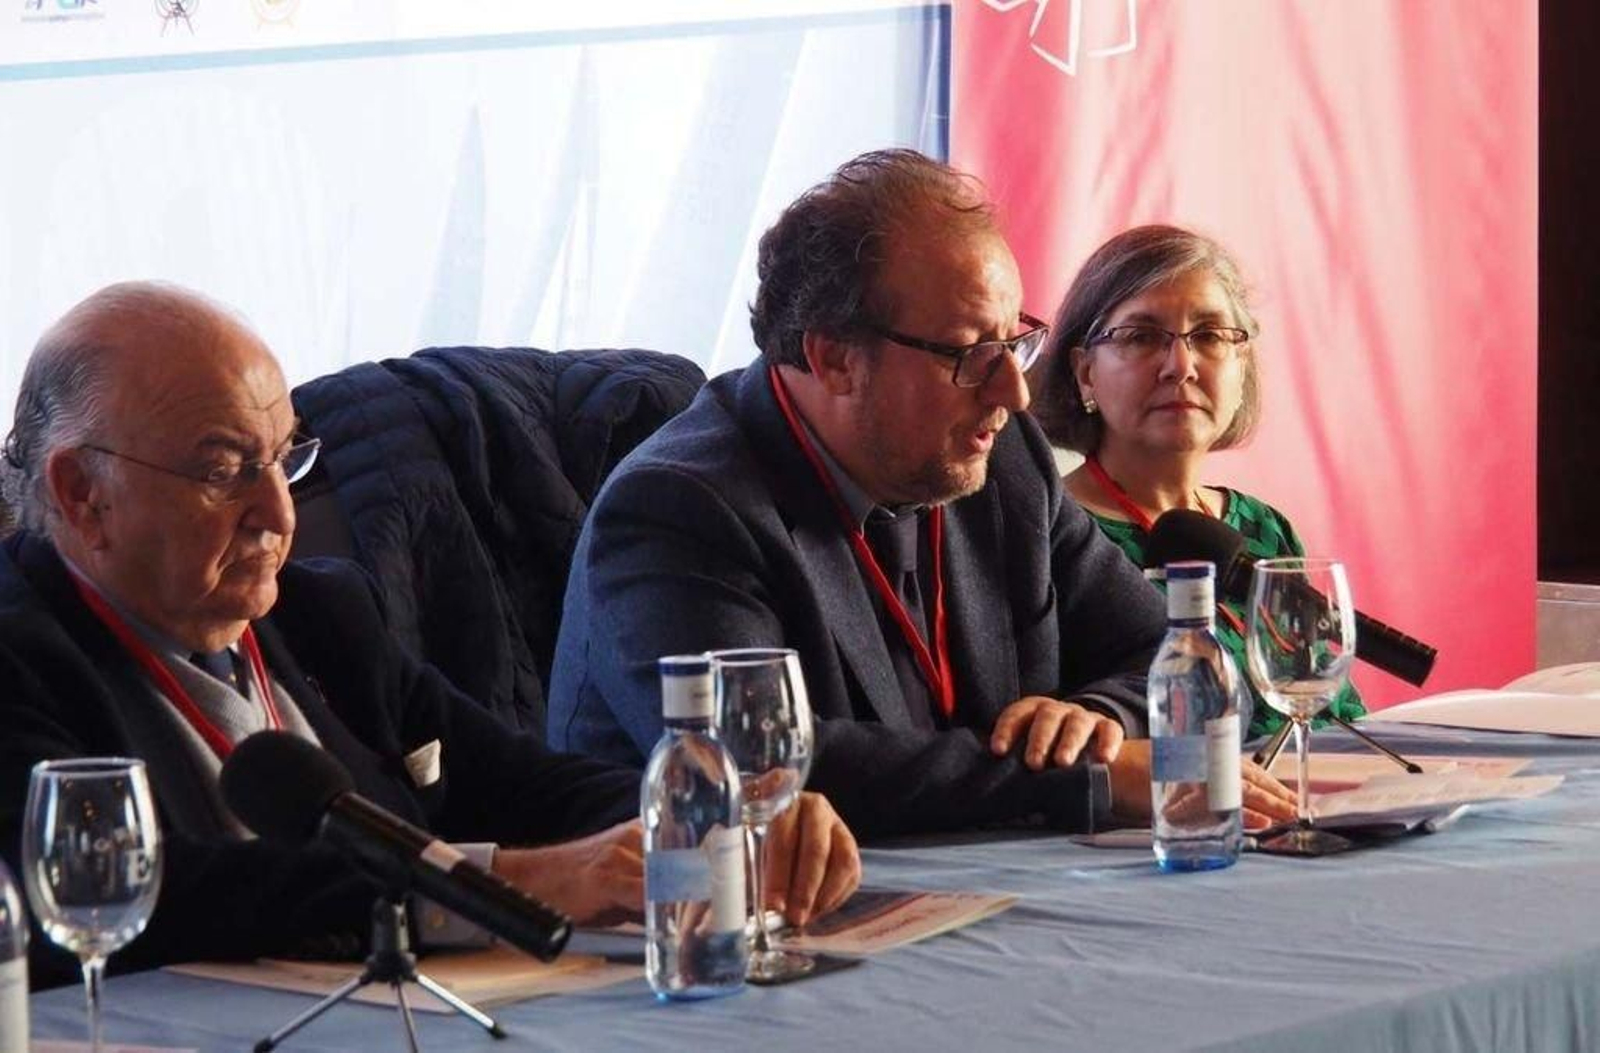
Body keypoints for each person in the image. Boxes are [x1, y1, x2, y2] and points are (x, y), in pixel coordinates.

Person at [0, 282, 860, 989]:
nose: (279, 512)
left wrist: (711, 820)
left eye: (286, 458)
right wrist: (500, 881)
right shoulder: (19, 656)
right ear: (81, 493)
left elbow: (528, 785)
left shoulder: (321, 614)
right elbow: (160, 890)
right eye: (224, 470)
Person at [549, 151, 1296, 838]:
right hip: (730, 928)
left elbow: (1166, 645)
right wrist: (1084, 777)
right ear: (836, 358)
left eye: (1016, 340)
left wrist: (1095, 721)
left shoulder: (1003, 460)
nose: (1012, 389)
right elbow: (767, 763)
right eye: (972, 352)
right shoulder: (678, 508)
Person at [1028, 224, 1365, 736]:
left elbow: (1332, 711)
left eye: (1209, 336)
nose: (1181, 366)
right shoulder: (1053, 534)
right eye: (1141, 336)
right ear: (1084, 373)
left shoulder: (1263, 527)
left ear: (1242, 361)